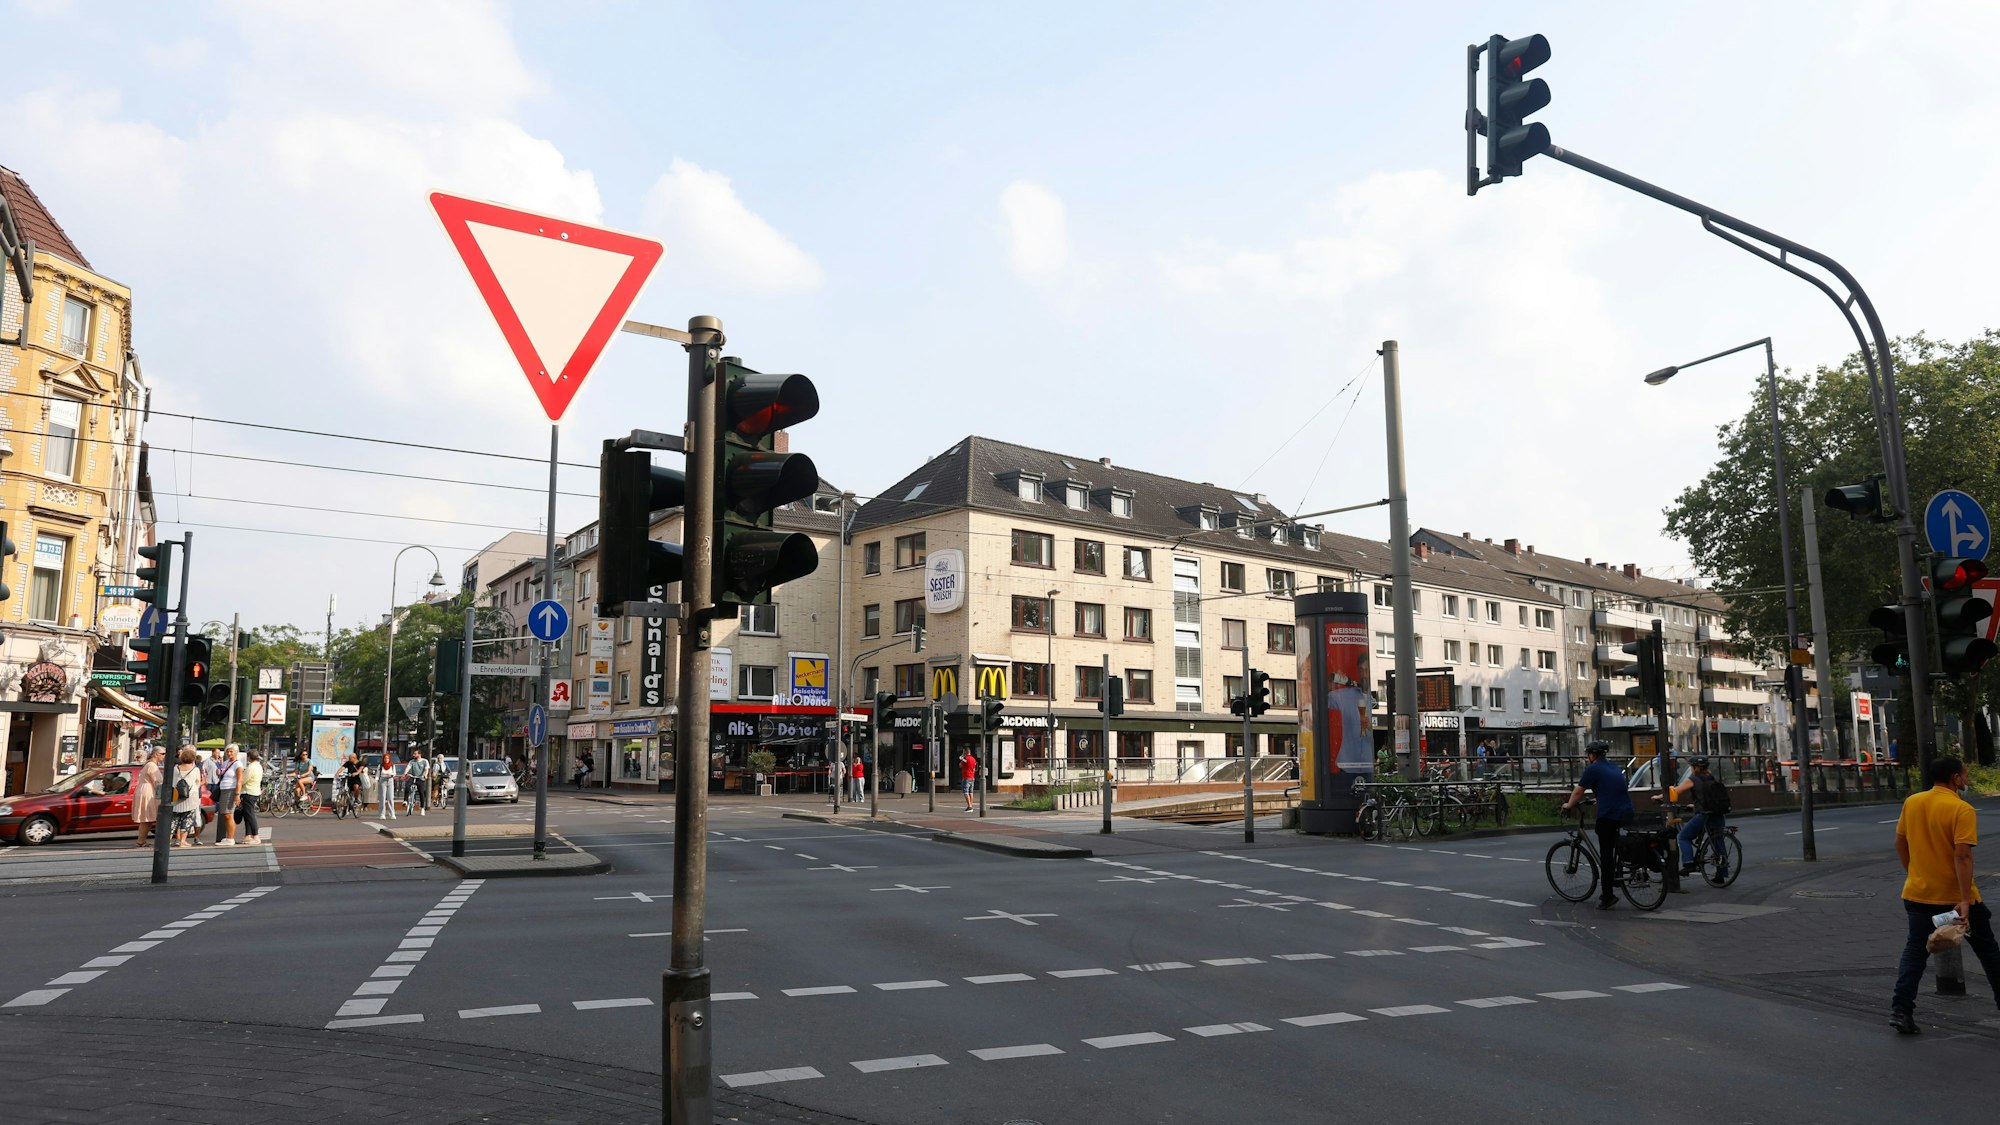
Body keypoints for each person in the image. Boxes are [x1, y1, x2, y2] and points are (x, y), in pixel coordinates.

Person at [1890, 755, 2000, 1034]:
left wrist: (1914, 872)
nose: (1967, 779)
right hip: (1955, 900)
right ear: (1955, 779)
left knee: (1915, 952)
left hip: (1918, 894)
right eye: (1964, 775)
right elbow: (1962, 856)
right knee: (1988, 953)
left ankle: (1902, 1010)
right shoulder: (1961, 809)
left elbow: (1900, 843)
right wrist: (1964, 900)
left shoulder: (1913, 802)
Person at [1562, 741, 1634, 910]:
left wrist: (1569, 805)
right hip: (1626, 811)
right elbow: (1614, 788)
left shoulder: (1593, 769)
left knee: (1606, 853)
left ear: (1591, 755)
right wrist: (1599, 799)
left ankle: (1607, 895)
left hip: (1609, 815)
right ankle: (1618, 872)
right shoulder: (1614, 767)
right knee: (1613, 843)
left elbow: (1578, 791)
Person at [1660, 755, 1729, 875]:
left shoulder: (1693, 778)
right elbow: (1707, 797)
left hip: (1704, 814)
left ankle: (1688, 864)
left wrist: (1658, 797)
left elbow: (1676, 792)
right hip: (1717, 812)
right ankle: (1721, 875)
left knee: (1683, 836)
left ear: (1694, 767)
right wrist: (1694, 805)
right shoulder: (1710, 777)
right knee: (1717, 841)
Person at [170, 748, 203, 848]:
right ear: (193, 759)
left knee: (174, 820)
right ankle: (182, 841)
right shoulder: (195, 769)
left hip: (176, 796)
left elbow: (172, 782)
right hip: (190, 797)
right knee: (187, 819)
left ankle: (167, 839)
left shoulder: (176, 768)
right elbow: (197, 783)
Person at [132, 747, 164, 848]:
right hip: (148, 791)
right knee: (147, 818)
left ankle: (141, 841)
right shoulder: (152, 765)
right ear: (156, 754)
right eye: (162, 753)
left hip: (146, 790)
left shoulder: (151, 764)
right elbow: (158, 781)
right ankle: (141, 841)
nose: (164, 756)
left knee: (147, 818)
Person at [213, 745, 242, 845]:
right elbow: (222, 773)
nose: (229, 754)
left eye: (231, 752)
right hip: (224, 789)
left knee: (228, 814)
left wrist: (237, 794)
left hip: (231, 790)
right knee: (225, 814)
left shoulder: (238, 764)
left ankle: (230, 838)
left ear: (236, 752)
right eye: (228, 752)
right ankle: (228, 837)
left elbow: (239, 780)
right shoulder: (226, 762)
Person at [237, 749, 263, 844]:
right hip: (255, 791)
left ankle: (255, 835)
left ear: (249, 757)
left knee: (250, 815)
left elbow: (243, 780)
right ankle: (248, 835)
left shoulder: (251, 767)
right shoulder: (258, 766)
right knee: (247, 815)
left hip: (248, 792)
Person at [406, 750, 430, 816]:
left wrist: (425, 775)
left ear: (419, 754)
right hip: (412, 776)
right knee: (407, 786)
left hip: (420, 777)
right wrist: (405, 773)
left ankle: (422, 808)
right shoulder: (411, 761)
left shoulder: (425, 761)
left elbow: (426, 769)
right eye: (413, 753)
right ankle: (405, 801)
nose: (413, 755)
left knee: (421, 792)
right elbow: (408, 767)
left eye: (415, 754)